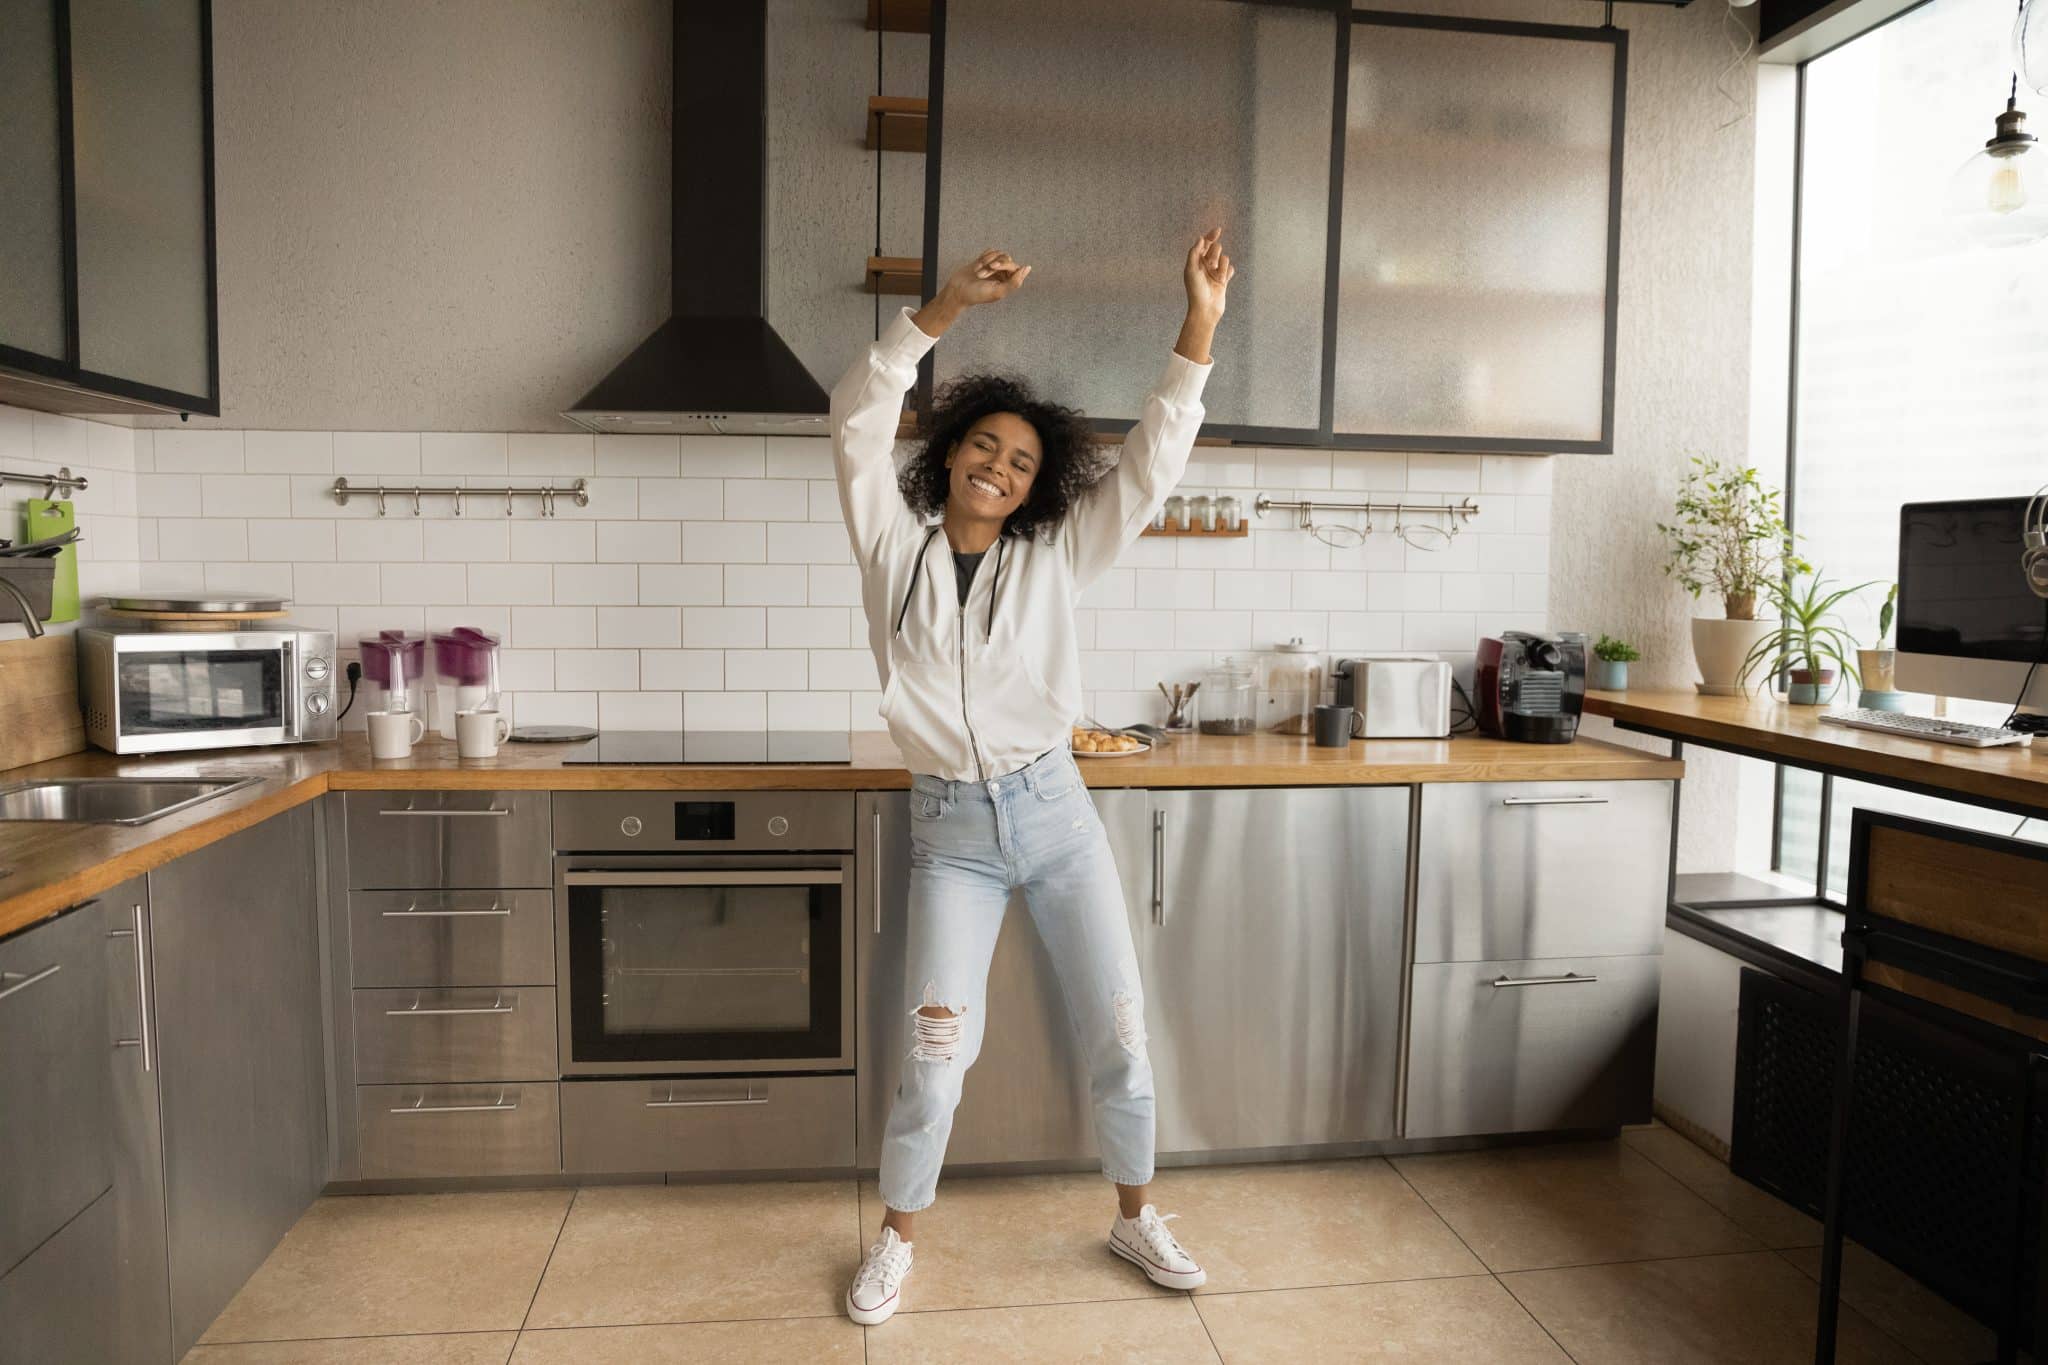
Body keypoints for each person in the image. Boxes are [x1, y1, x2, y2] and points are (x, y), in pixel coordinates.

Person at [832, 231, 1234, 1326]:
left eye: (1019, 463)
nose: (998, 468)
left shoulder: (1057, 558)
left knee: (1117, 1029)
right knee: (934, 1055)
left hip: (1055, 817)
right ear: (952, 450)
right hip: (949, 832)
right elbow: (856, 418)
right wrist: (943, 311)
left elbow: (1152, 460)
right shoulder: (892, 548)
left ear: (1032, 487)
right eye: (984, 448)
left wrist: (1197, 324)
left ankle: (1134, 1215)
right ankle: (896, 1239)